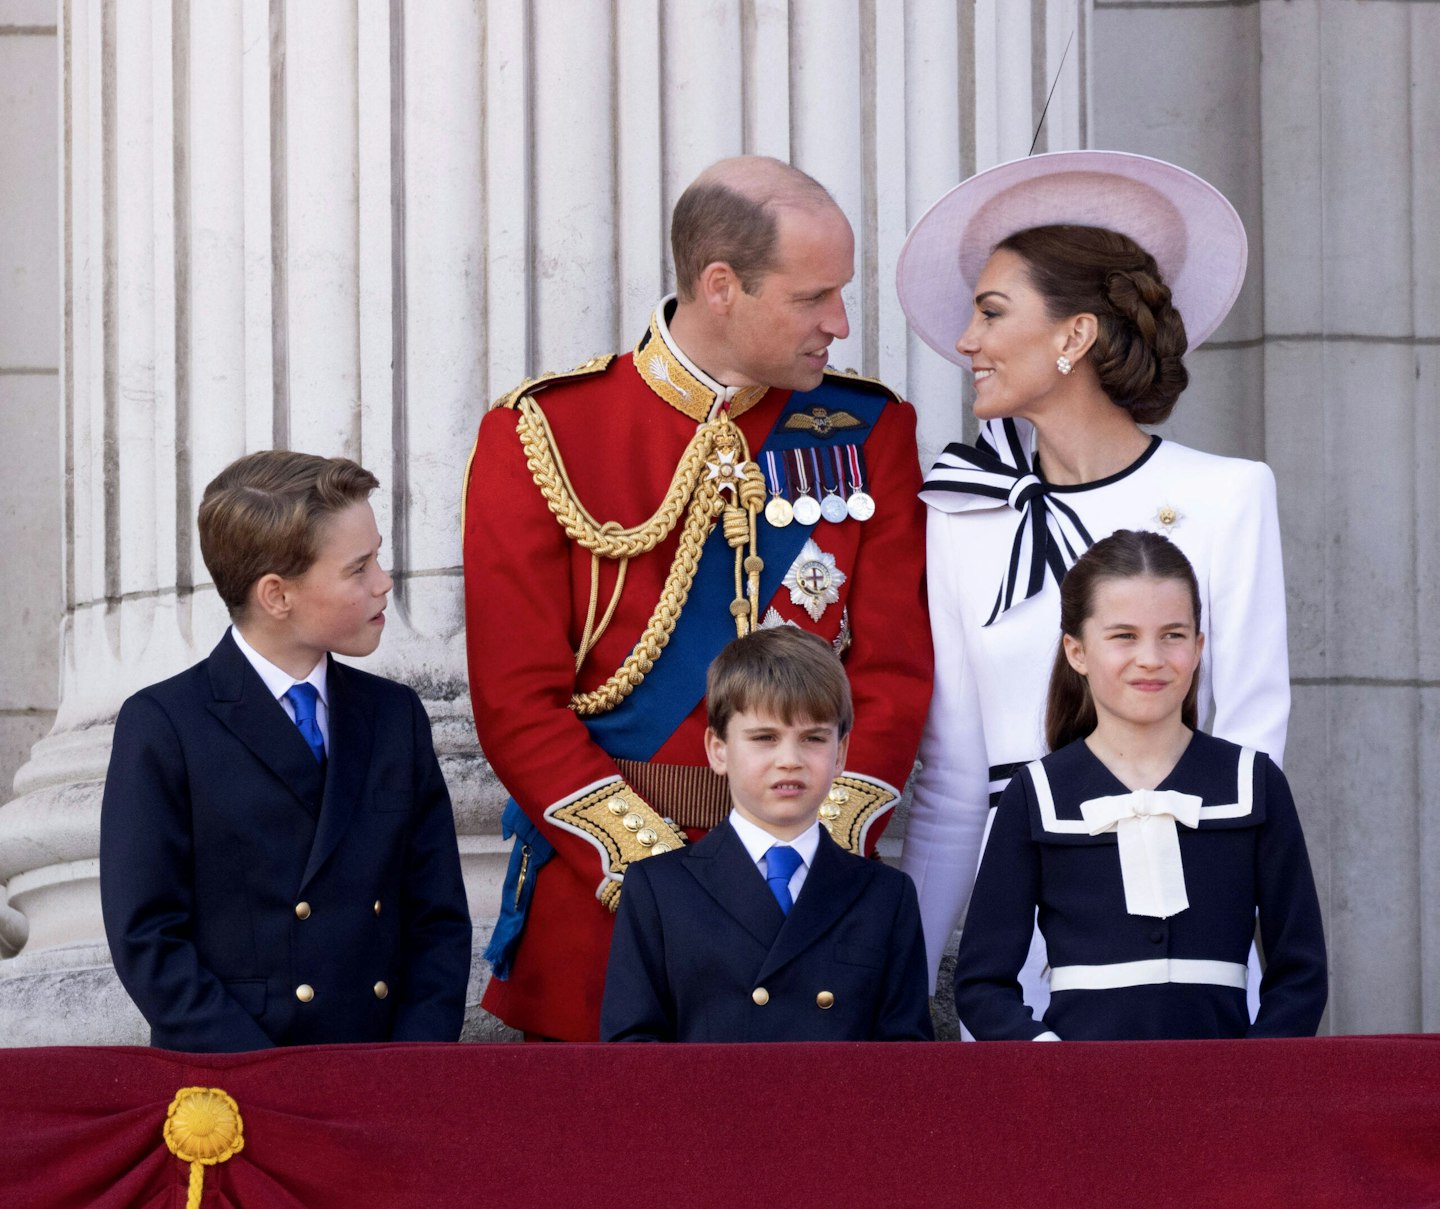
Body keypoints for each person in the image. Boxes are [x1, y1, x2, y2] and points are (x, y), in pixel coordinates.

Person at [464, 156, 932, 1041]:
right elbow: (515, 704)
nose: (839, 322)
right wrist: (659, 883)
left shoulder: (871, 431)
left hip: (812, 915)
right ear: (722, 286)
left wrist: (809, 855)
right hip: (609, 916)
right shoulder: (544, 433)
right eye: (813, 297)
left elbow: (896, 675)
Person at [894, 151, 1290, 1016]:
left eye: (992, 313)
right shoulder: (961, 513)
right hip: (1017, 956)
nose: (967, 341)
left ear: (1073, 336)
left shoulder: (1229, 496)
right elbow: (956, 782)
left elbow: (1252, 752)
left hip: (1182, 930)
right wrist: (899, 987)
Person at [100, 451, 472, 1052]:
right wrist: (257, 1077)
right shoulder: (166, 724)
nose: (384, 582)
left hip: (385, 1073)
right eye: (359, 568)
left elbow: (438, 918)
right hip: (236, 1083)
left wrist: (413, 1065)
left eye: (378, 557)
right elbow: (149, 938)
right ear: (276, 595)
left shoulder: (393, 716)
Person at [954, 531, 1325, 1039]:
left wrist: (1251, 1075)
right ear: (1077, 651)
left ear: (1197, 648)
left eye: (1172, 635)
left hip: (1227, 1099)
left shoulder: (1254, 783)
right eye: (1124, 635)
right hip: (1080, 1098)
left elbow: (1301, 974)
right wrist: (1048, 1061)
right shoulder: (1035, 793)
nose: (1150, 658)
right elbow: (981, 982)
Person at [600, 627, 933, 1042]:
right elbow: (634, 1053)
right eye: (764, 739)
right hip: (705, 1107)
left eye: (813, 738)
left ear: (841, 753)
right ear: (718, 750)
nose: (789, 761)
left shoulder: (886, 896)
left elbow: (906, 1063)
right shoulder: (659, 889)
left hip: (839, 1107)